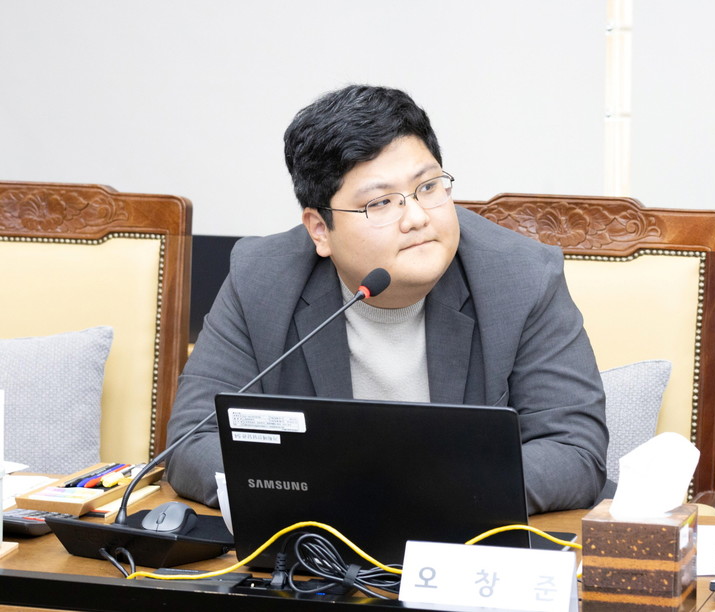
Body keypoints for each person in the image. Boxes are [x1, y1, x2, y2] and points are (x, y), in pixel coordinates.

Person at [165, 84, 608, 515]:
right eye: (380, 203)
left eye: (429, 187)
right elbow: (193, 440)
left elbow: (572, 449)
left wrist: (405, 494)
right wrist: (327, 494)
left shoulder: (521, 277)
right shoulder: (262, 279)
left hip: (465, 546)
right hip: (319, 550)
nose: (417, 217)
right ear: (320, 230)